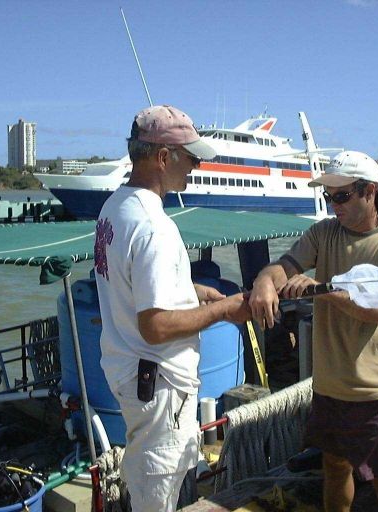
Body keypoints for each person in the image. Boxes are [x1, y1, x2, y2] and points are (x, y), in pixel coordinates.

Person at [94, 105, 252, 512]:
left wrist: (191, 290)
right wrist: (226, 309)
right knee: (156, 497)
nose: (196, 167)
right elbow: (156, 325)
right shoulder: (154, 227)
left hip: (130, 374)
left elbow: (129, 283)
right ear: (163, 158)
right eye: (191, 157)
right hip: (159, 387)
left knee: (152, 481)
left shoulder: (115, 207)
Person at [249, 151, 378, 512]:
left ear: (370, 192)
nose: (333, 205)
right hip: (328, 388)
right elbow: (285, 266)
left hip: (374, 393)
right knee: (334, 468)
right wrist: (266, 282)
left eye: (342, 196)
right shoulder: (322, 233)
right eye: (329, 196)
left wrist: (323, 288)